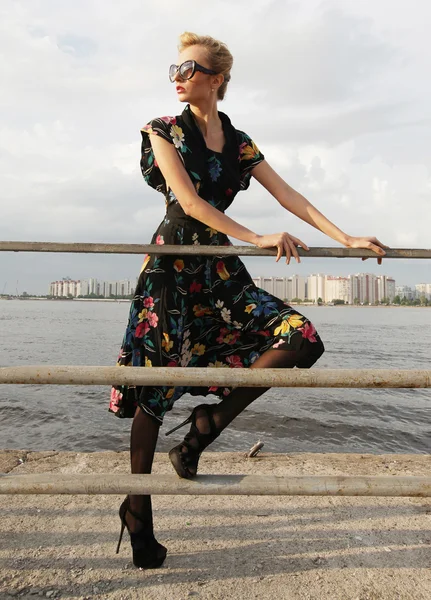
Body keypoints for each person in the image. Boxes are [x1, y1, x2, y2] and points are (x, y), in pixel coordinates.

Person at [110, 31, 387, 570]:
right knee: (153, 387)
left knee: (299, 338)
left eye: (189, 68)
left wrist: (345, 237)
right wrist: (255, 235)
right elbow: (187, 202)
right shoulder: (162, 130)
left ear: (216, 79)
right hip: (171, 269)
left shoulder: (238, 142)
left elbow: (289, 196)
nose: (178, 75)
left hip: (218, 270)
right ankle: (137, 510)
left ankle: (204, 428)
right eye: (175, 67)